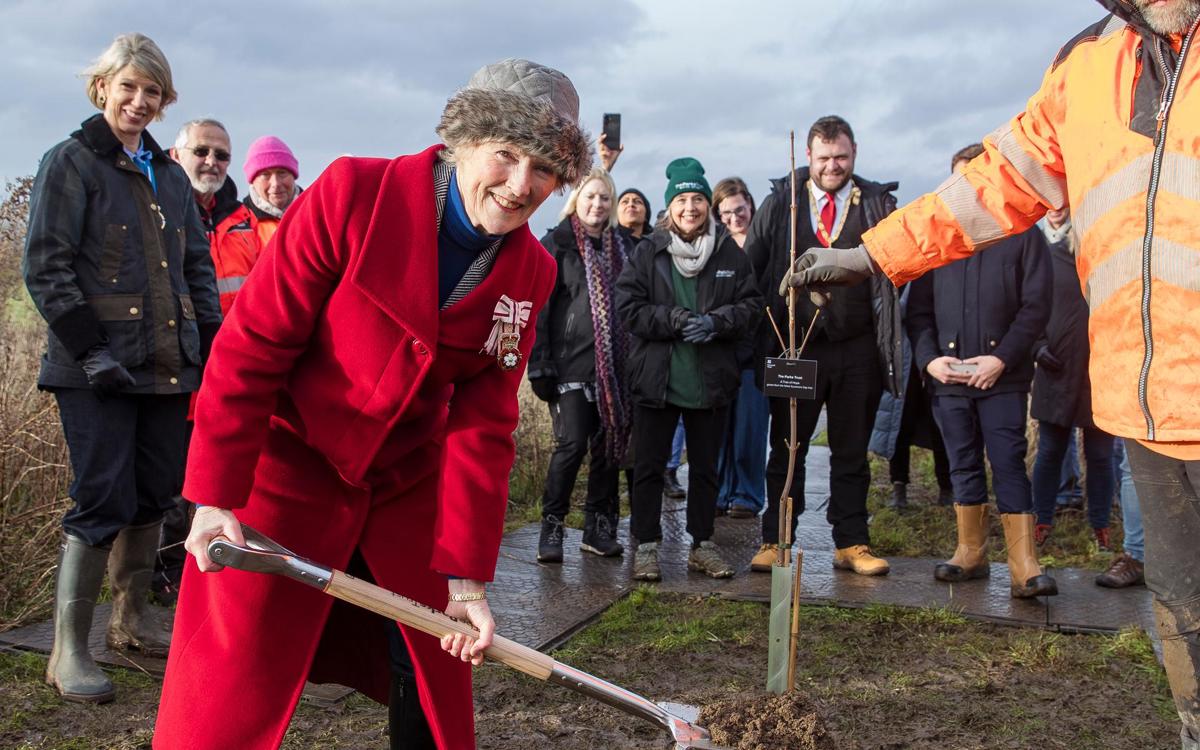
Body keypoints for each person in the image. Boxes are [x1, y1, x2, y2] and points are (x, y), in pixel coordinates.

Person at [785, 3, 1200, 744]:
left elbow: (1036, 301)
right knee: (1186, 610)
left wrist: (1002, 356)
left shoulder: (1026, 255)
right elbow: (995, 180)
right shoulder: (1088, 64)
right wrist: (872, 255)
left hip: (1065, 384)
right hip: (1153, 407)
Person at [153, 58, 591, 750]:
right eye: (506, 156)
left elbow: (484, 428)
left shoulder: (530, 273)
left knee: (435, 654)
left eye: (543, 170)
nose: (520, 187)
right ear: (464, 140)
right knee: (234, 670)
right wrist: (212, 498)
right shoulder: (353, 193)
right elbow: (254, 345)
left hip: (400, 481)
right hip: (285, 460)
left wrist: (469, 580)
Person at [23, 32, 221, 703]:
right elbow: (45, 268)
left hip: (168, 367)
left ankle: (134, 621)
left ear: (165, 100)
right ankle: (68, 651)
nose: (139, 100)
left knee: (155, 490)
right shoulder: (71, 163)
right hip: (94, 370)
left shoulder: (170, 175)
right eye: (127, 86)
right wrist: (91, 350)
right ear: (102, 86)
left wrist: (214, 347)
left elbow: (196, 267)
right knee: (101, 496)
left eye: (152, 91)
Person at [745, 115, 901, 575]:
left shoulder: (876, 203)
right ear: (808, 157)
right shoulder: (780, 204)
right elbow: (754, 271)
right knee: (788, 446)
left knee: (851, 450)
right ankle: (776, 539)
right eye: (825, 157)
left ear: (855, 155)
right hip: (796, 349)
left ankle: (852, 542)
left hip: (857, 349)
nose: (834, 165)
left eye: (842, 157)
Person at [907, 144, 1053, 598]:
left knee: (1008, 461)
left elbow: (1036, 307)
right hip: (949, 378)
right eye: (958, 179)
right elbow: (918, 313)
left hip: (1001, 378)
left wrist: (1003, 358)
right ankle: (970, 552)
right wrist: (930, 360)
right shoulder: (940, 241)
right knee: (961, 462)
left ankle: (1023, 563)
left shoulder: (1023, 235)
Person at [616, 157, 761, 582]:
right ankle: (646, 545)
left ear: (707, 205)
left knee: (705, 468)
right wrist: (674, 320)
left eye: (698, 198)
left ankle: (702, 543)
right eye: (682, 199)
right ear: (670, 206)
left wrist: (717, 323)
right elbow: (629, 309)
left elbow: (752, 305)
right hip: (656, 379)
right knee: (648, 467)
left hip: (709, 380)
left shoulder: (728, 251)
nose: (691, 207)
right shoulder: (649, 252)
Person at [155, 117, 242, 606]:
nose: (211, 162)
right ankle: (164, 576)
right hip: (168, 362)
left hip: (221, 365)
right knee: (165, 478)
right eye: (202, 151)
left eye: (221, 155)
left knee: (201, 473)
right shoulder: (162, 207)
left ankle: (197, 573)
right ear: (177, 154)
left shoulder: (237, 219)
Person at [528, 166, 632, 563]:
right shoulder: (557, 243)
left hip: (612, 372)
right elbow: (541, 306)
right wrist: (540, 364)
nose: (597, 204)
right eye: (590, 196)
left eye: (605, 197)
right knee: (571, 445)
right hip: (568, 366)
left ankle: (598, 529)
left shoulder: (622, 247)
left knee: (607, 450)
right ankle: (552, 527)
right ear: (577, 200)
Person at [1029, 207, 1115, 549]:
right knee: (1050, 449)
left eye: (1062, 198)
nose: (1055, 207)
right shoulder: (1034, 245)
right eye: (1048, 200)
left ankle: (1101, 525)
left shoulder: (1096, 241)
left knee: (1101, 454)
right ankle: (1042, 519)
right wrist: (1035, 346)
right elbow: (1025, 302)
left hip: (1100, 366)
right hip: (1056, 365)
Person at [868, 281, 954, 511]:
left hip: (936, 349)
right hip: (901, 355)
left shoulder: (934, 266)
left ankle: (947, 487)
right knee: (900, 423)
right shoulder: (896, 270)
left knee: (941, 422)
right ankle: (899, 486)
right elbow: (882, 307)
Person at [711, 177, 768, 518]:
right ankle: (718, 492)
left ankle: (747, 495)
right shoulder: (713, 246)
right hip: (719, 351)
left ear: (750, 204)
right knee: (717, 430)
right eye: (727, 213)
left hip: (756, 352)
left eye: (740, 210)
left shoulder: (765, 242)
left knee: (750, 428)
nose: (735, 218)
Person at [209, 135, 301, 314]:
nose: (276, 184)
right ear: (252, 180)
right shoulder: (237, 224)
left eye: (282, 173)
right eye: (265, 175)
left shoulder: (314, 214)